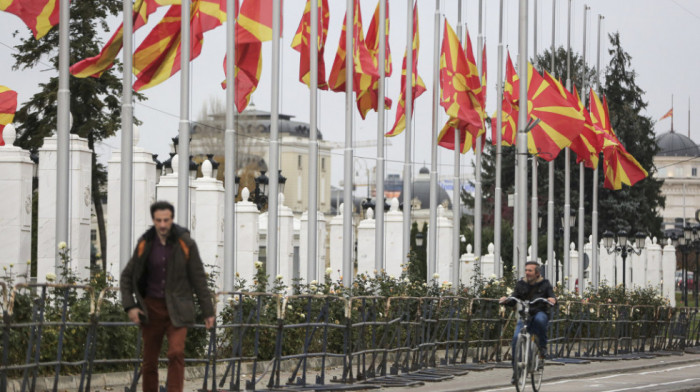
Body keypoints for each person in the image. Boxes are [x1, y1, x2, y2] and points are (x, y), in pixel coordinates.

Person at [121, 201, 215, 392]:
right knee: (149, 360)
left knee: (176, 352)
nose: (162, 225)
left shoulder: (185, 243)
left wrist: (208, 312)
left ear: (172, 219)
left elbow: (198, 279)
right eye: (158, 220)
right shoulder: (145, 243)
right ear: (153, 221)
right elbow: (126, 277)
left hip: (178, 308)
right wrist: (130, 306)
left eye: (166, 220)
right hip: (151, 309)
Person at [499, 261, 556, 384]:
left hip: (539, 312)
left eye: (530, 270)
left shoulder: (545, 284)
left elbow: (552, 297)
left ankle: (542, 346)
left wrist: (552, 300)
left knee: (540, 320)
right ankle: (516, 372)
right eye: (526, 270)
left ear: (537, 273)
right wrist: (506, 300)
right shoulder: (521, 284)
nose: (527, 273)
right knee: (515, 339)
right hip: (525, 314)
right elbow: (514, 297)